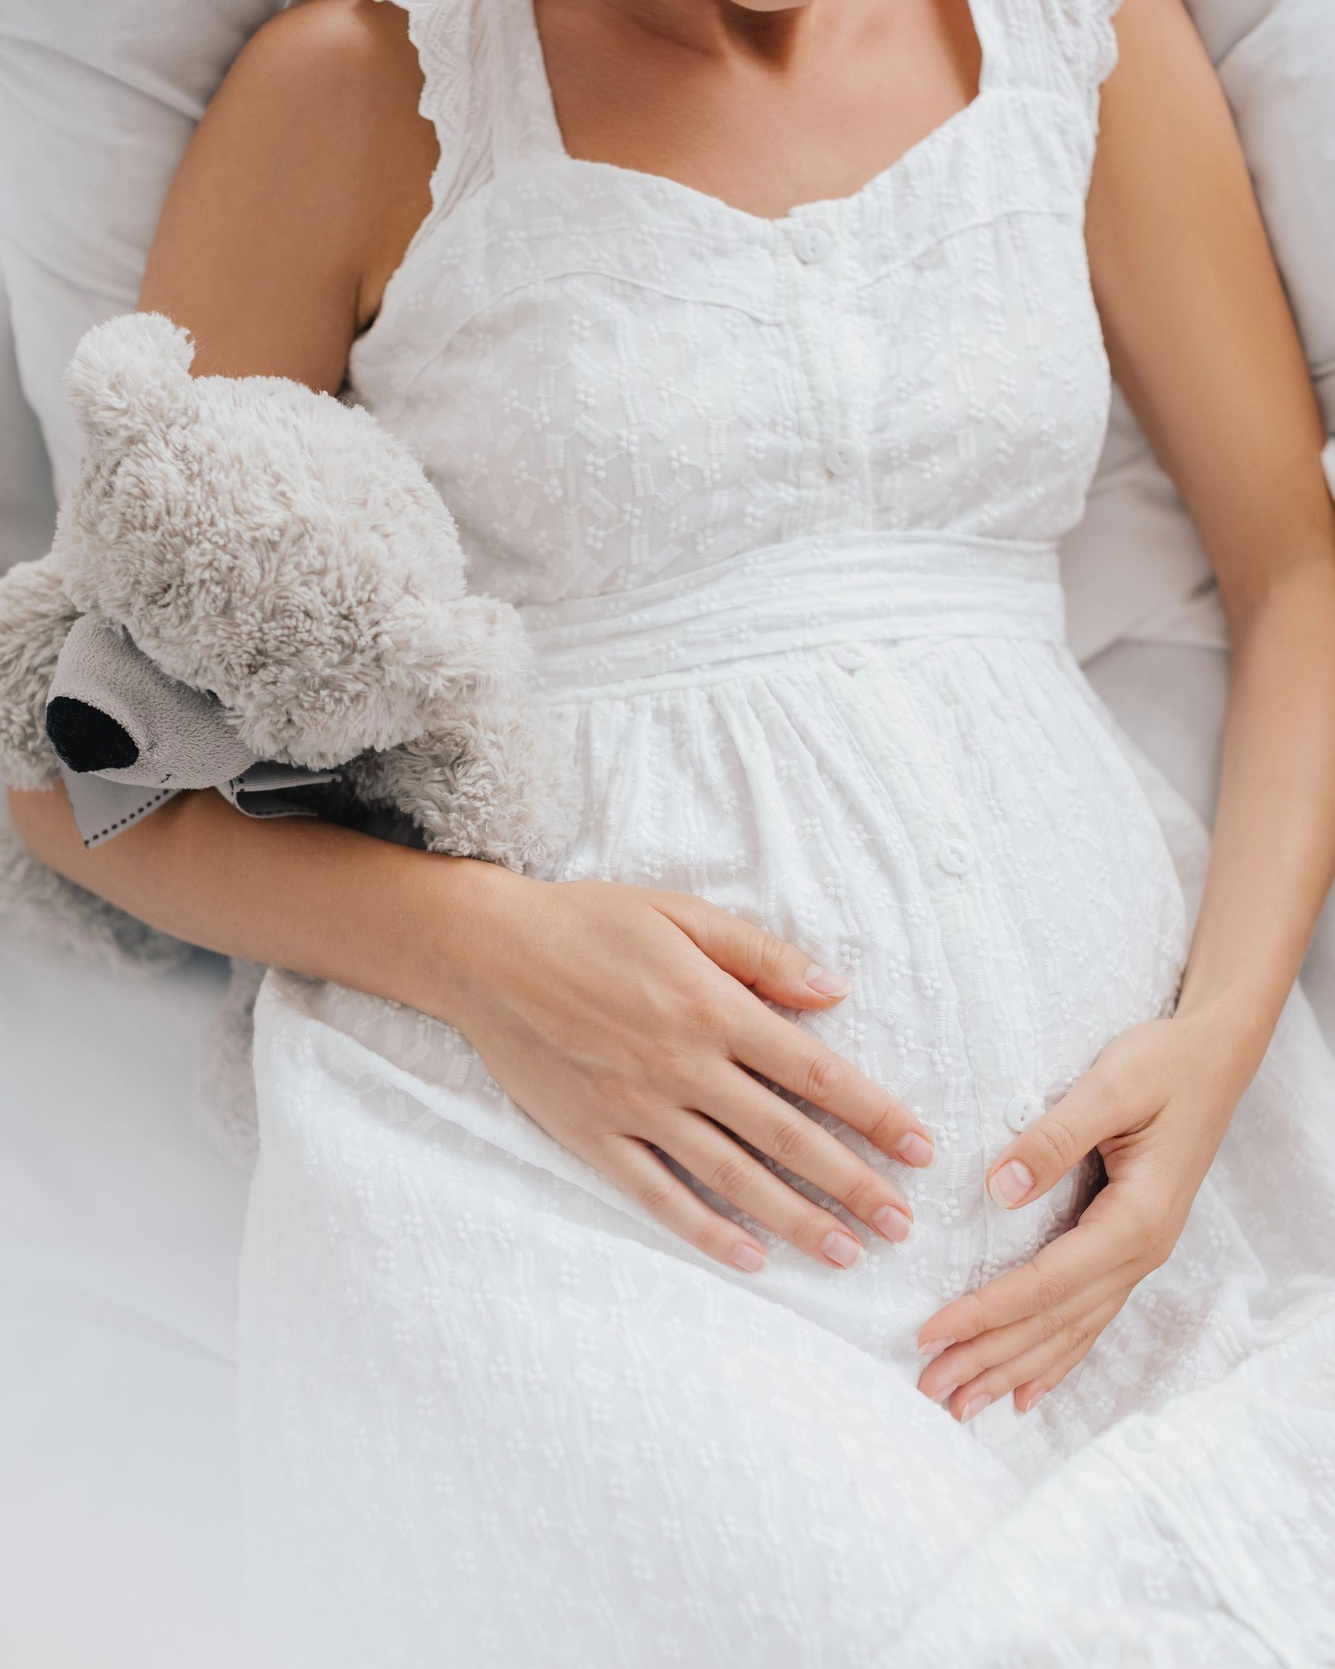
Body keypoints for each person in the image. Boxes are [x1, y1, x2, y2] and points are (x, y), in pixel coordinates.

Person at [11, 0, 1335, 1660]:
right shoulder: (360, 95)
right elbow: (62, 762)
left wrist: (1212, 1062)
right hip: (558, 1209)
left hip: (1134, 1208)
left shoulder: (1084, 41)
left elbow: (1297, 572)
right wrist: (489, 958)